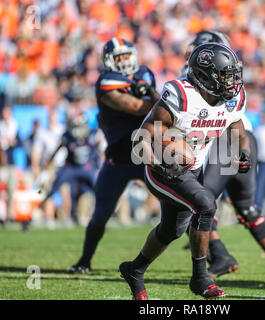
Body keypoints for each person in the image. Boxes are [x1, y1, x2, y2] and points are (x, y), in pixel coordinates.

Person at [120, 42, 251, 300]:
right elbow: (146, 135)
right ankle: (200, 278)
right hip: (164, 168)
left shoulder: (233, 99)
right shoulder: (181, 94)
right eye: (225, 76)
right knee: (205, 205)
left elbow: (238, 132)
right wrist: (162, 160)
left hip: (194, 168)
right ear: (205, 77)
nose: (232, 82)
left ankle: (134, 270)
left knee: (171, 231)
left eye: (233, 75)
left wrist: (242, 153)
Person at [67, 37, 159, 273]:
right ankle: (85, 260)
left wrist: (151, 91)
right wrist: (147, 96)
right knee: (100, 215)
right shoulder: (106, 81)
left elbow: (161, 108)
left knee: (178, 205)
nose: (125, 62)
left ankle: (208, 259)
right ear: (110, 61)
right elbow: (138, 107)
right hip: (118, 157)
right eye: (119, 58)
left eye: (127, 56)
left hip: (145, 153)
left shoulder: (145, 74)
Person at [204, 113, 265, 277]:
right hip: (246, 138)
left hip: (222, 137)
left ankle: (219, 255)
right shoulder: (236, 95)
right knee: (247, 206)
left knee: (197, 203)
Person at [39, 110, 99, 226]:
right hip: (70, 167)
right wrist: (48, 165)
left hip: (86, 167)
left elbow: (95, 153)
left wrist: (96, 166)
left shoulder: (91, 135)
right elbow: (57, 150)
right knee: (53, 189)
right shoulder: (67, 136)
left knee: (98, 190)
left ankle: (101, 217)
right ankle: (38, 212)